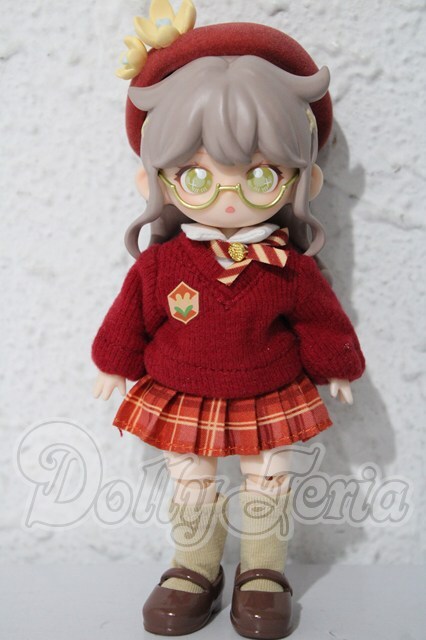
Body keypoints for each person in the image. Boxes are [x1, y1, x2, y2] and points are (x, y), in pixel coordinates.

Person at [92, 1, 365, 637]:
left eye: (261, 175)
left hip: (268, 387)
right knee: (190, 477)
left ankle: (263, 571)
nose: (229, 196)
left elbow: (320, 320)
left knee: (269, 476)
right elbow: (130, 315)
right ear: (156, 181)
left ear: (302, 179)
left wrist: (338, 366)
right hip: (183, 386)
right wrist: (112, 362)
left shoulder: (287, 266)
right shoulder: (162, 265)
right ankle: (195, 567)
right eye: (196, 176)